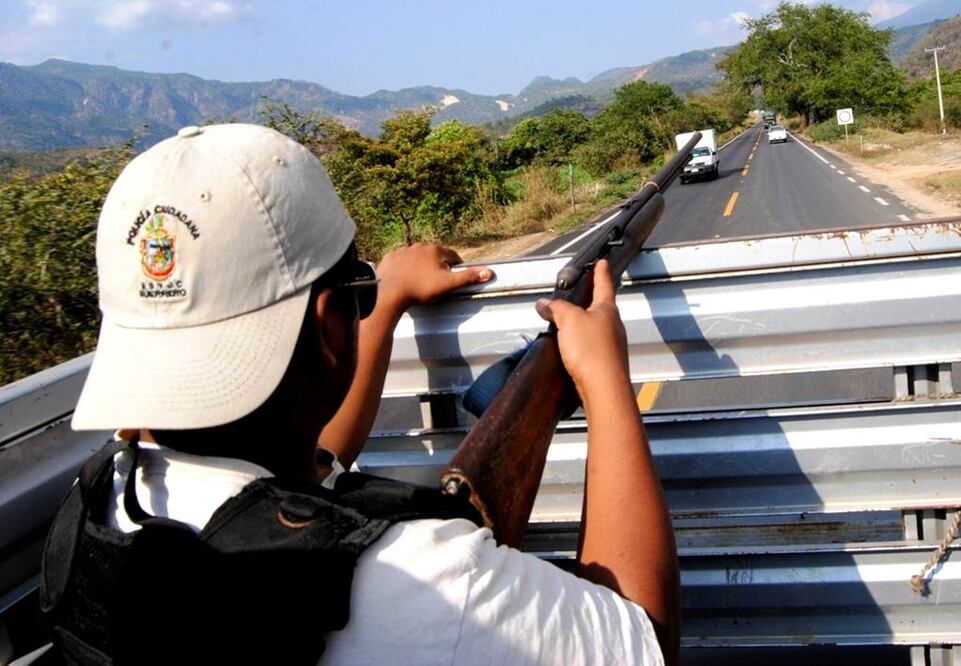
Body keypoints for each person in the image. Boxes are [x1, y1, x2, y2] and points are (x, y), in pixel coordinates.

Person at [39, 123, 679, 665]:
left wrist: (385, 302)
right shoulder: (422, 584)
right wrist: (605, 382)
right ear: (326, 327)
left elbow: (300, 473)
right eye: (359, 291)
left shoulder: (102, 507)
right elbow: (644, 636)